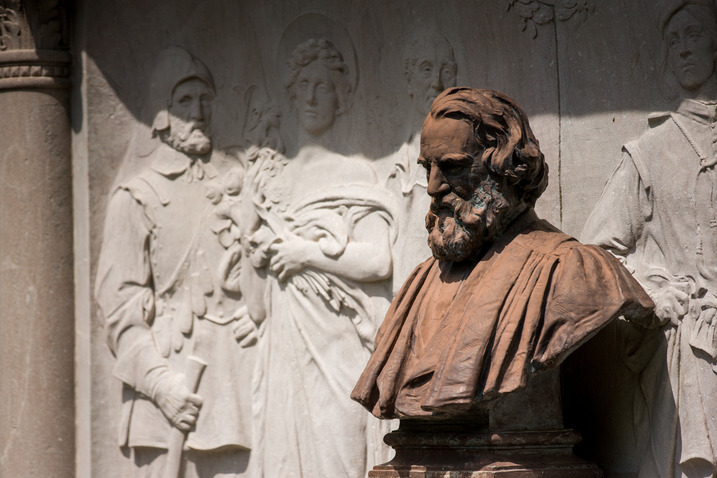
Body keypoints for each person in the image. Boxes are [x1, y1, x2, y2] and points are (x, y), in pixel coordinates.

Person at [352, 87, 653, 422]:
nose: (434, 187)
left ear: (507, 168)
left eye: (453, 167)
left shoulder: (571, 270)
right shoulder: (419, 283)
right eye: (428, 169)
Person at [95, 47, 256, 477]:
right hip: (166, 391)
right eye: (184, 101)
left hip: (234, 385)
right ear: (161, 114)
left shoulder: (235, 181)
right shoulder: (136, 198)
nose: (199, 112)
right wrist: (160, 385)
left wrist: (256, 311)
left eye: (205, 99)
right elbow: (119, 310)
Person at [245, 38, 394, 477]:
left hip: (337, 346)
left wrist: (306, 252)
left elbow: (378, 262)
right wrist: (248, 242)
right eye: (304, 84)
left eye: (323, 86)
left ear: (342, 97)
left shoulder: (355, 173)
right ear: (290, 92)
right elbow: (255, 306)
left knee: (338, 456)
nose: (311, 96)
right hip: (282, 349)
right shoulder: (272, 182)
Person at [582, 1, 717, 476]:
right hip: (693, 353)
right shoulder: (650, 151)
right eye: (672, 40)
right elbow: (595, 253)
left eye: (694, 34)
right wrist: (652, 290)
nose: (682, 49)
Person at [375, 29, 459, 293]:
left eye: (445, 70)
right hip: (401, 299)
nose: (436, 82)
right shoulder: (395, 167)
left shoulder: (468, 159)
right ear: (409, 81)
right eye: (426, 69)